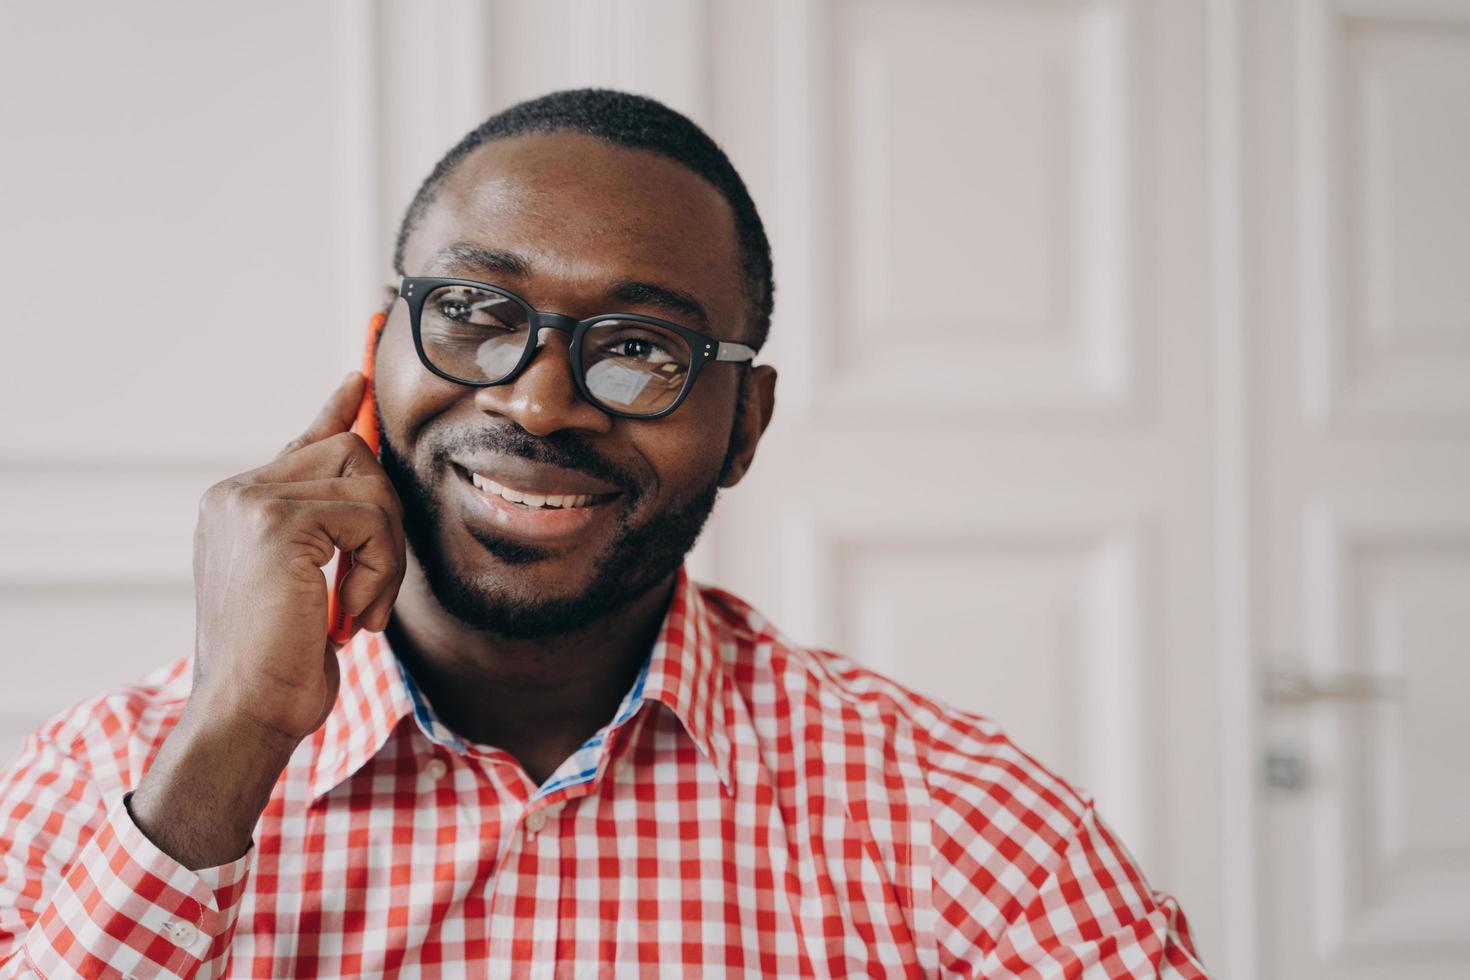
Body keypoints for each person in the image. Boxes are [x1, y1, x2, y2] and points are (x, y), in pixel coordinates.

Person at [0, 89, 1208, 978]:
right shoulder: (100, 785)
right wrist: (225, 743)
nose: (534, 401)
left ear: (745, 423)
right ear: (379, 355)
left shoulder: (971, 832)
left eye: (640, 347)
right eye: (474, 312)